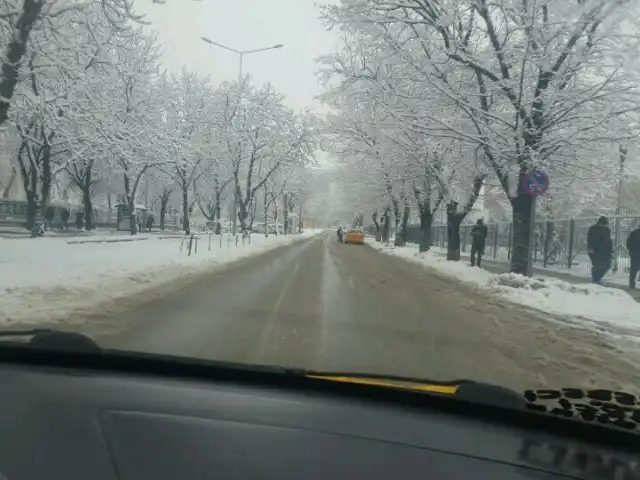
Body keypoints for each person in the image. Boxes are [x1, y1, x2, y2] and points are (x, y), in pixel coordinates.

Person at [587, 216, 613, 284]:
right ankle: (595, 280)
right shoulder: (593, 229)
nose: (604, 226)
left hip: (606, 251)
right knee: (597, 265)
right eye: (603, 224)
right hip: (596, 250)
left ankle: (597, 278)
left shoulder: (607, 230)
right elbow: (590, 240)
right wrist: (590, 249)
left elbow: (609, 240)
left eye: (605, 225)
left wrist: (611, 250)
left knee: (607, 265)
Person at [626, 224, 640, 288]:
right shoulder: (634, 233)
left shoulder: (634, 233)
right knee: (634, 268)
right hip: (635, 253)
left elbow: (628, 243)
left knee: (634, 268)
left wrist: (631, 250)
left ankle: (631, 283)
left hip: (634, 253)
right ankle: (632, 283)